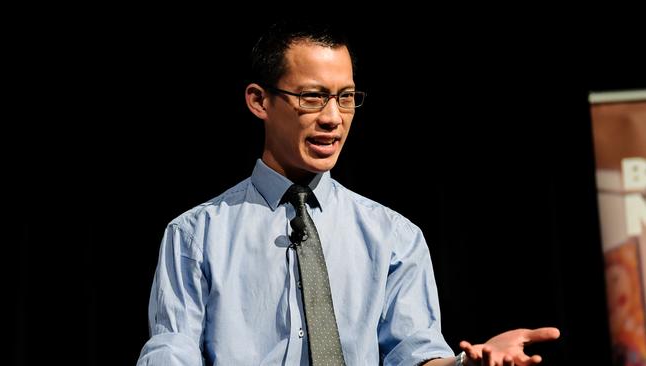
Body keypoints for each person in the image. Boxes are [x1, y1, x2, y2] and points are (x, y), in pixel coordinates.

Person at [136, 21, 560, 366]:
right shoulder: (195, 234)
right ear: (259, 101)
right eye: (312, 97)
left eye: (346, 98)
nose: (332, 118)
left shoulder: (395, 237)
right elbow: (173, 351)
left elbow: (415, 355)